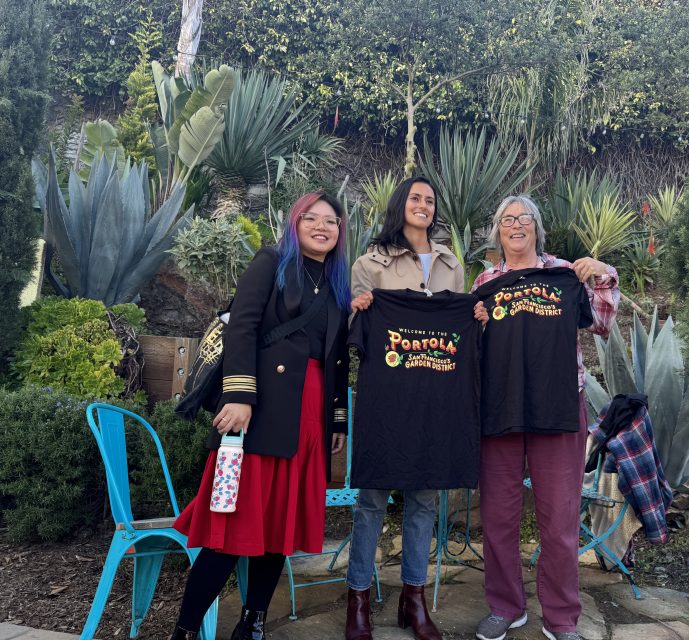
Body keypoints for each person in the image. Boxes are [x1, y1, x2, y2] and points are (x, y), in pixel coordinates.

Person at [170, 192, 352, 640]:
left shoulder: (336, 282)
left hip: (309, 419)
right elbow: (244, 326)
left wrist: (338, 419)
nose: (321, 226)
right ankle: (185, 630)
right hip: (256, 413)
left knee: (279, 530)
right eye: (311, 217)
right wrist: (239, 395)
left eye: (331, 220)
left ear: (340, 231)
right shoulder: (270, 260)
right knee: (229, 530)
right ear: (296, 223)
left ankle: (251, 624)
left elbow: (337, 359)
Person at [345, 176, 487, 640]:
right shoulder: (370, 262)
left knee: (425, 498)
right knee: (371, 500)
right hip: (386, 399)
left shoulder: (451, 265)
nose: (423, 205)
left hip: (435, 400)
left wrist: (476, 318)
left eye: (429, 200)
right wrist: (360, 307)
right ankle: (359, 599)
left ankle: (413, 598)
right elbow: (355, 328)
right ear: (399, 205)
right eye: (415, 198)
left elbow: (457, 328)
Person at [471, 195, 619, 640]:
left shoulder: (565, 273)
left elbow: (604, 323)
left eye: (525, 219)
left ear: (537, 226)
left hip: (557, 406)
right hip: (499, 407)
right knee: (498, 515)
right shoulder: (484, 280)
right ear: (498, 230)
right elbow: (470, 345)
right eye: (507, 220)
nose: (516, 226)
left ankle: (560, 617)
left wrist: (602, 275)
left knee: (559, 517)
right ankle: (505, 606)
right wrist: (474, 320)